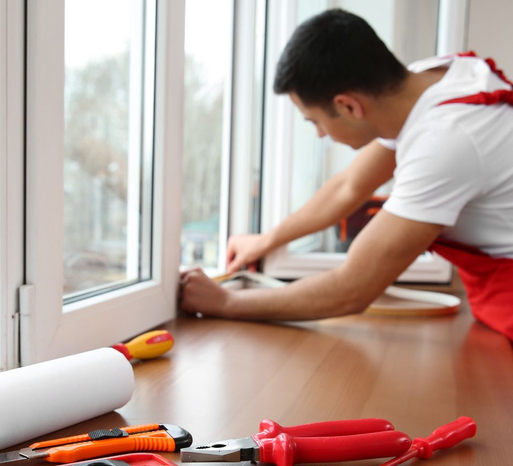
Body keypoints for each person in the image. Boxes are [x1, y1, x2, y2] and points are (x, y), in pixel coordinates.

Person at [179, 9, 513, 341]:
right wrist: (268, 240)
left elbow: (353, 288)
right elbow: (349, 186)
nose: (320, 135)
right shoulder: (431, 79)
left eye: (315, 122)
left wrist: (225, 301)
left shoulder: (447, 139)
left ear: (348, 106)